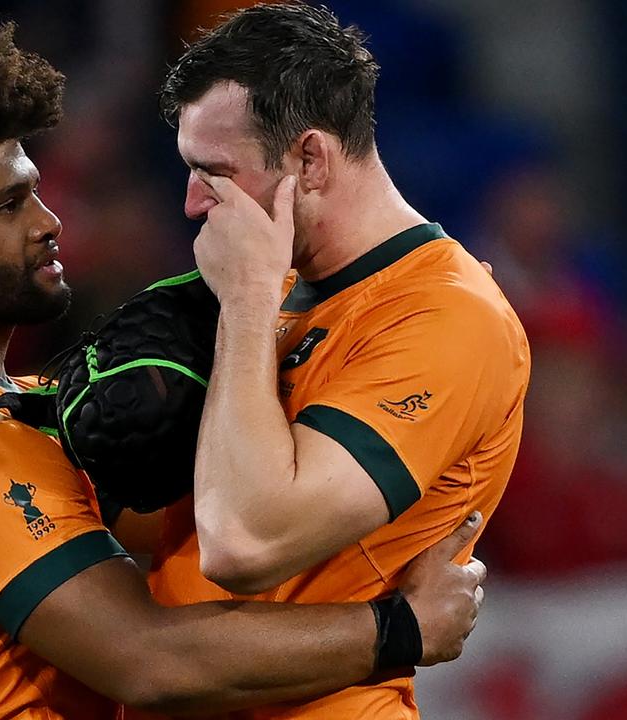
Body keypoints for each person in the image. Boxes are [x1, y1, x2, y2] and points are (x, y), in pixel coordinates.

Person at [0, 16, 487, 720]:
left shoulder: (6, 405)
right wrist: (400, 631)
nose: (49, 220)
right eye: (9, 204)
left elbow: (207, 520)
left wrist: (408, 332)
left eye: (37, 190)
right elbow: (148, 661)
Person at [142, 5, 531, 718]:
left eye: (215, 173)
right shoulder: (272, 289)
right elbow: (181, 527)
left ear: (311, 159)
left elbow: (244, 544)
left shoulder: (448, 316)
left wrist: (248, 302)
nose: (194, 203)